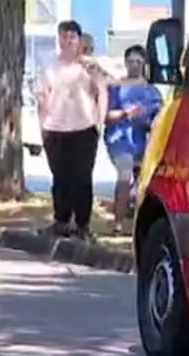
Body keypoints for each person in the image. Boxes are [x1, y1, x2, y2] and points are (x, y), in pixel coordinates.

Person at [38, 19, 107, 240]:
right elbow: (43, 98)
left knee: (82, 178)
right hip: (55, 129)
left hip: (84, 128)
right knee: (60, 178)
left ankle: (82, 225)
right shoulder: (49, 67)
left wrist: (100, 123)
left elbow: (102, 93)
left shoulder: (88, 67)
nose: (68, 41)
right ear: (58, 39)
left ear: (79, 40)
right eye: (64, 36)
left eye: (72, 37)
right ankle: (61, 222)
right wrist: (43, 127)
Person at [103, 45, 163, 233]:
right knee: (125, 174)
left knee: (146, 182)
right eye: (131, 61)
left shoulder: (152, 92)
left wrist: (146, 119)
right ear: (125, 62)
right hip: (119, 140)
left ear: (144, 64)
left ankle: (139, 225)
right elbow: (105, 115)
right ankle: (118, 224)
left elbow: (159, 119)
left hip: (142, 142)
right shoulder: (116, 87)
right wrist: (124, 114)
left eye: (138, 61)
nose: (134, 65)